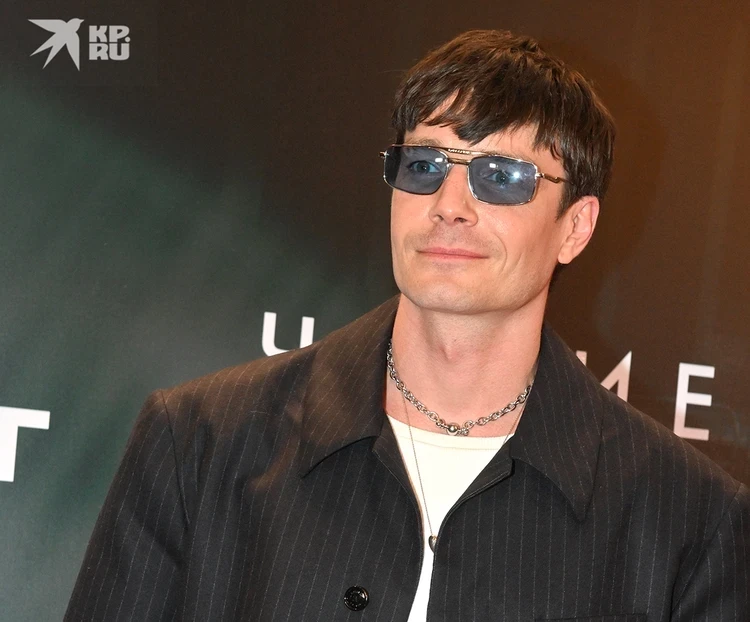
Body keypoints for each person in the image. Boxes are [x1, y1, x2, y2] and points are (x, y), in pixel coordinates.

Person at [65, 30, 749, 621]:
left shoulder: (688, 518)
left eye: (501, 176)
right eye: (424, 166)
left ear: (575, 226)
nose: (450, 204)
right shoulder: (199, 444)